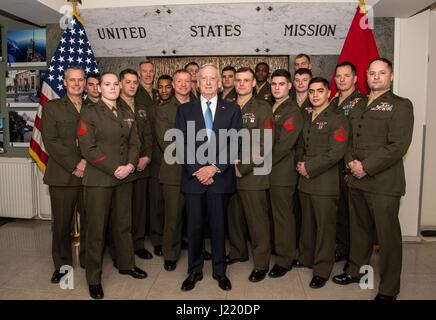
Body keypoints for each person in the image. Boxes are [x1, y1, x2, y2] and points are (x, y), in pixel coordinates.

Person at [332, 58, 414, 300]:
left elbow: (398, 146)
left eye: (382, 73)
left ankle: (389, 289)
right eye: (372, 73)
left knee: (387, 238)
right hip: (356, 179)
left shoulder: (400, 105)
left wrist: (366, 166)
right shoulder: (358, 105)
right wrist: (351, 164)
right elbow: (345, 138)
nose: (376, 77)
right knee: (359, 231)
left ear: (391, 77)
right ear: (366, 76)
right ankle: (356, 270)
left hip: (383, 183)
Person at [78, 72, 147, 299]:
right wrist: (113, 168)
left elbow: (135, 142)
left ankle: (126, 264)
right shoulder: (89, 112)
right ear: (98, 87)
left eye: (115, 84)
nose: (112, 88)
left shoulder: (127, 112)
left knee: (123, 225)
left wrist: (129, 165)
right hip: (100, 179)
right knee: (97, 230)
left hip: (125, 177)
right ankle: (94, 278)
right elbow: (88, 149)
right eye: (107, 84)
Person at [175, 64, 242, 291]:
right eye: (203, 78)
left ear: (219, 82)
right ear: (197, 82)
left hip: (219, 178)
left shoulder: (232, 109)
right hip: (194, 179)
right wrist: (198, 169)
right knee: (193, 228)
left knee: (219, 227)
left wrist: (213, 168)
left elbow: (235, 143)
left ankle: (220, 271)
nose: (208, 82)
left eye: (212, 78)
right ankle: (194, 271)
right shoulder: (185, 110)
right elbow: (180, 144)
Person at [295, 77, 349, 289]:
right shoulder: (307, 116)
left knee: (325, 229)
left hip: (324, 182)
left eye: (319, 91)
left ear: (328, 93)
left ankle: (322, 269)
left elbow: (336, 152)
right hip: (304, 180)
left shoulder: (338, 118)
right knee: (307, 225)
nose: (315, 95)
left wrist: (310, 167)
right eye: (311, 91)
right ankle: (306, 258)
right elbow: (300, 144)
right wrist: (300, 163)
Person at [41, 66, 87, 283]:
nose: (77, 84)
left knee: (91, 221)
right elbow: (51, 141)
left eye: (80, 80)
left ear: (85, 83)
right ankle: (62, 266)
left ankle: (88, 259)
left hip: (91, 175)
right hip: (63, 175)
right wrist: (75, 164)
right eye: (72, 80)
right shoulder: (52, 107)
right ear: (65, 82)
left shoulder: (93, 106)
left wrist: (86, 163)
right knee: (62, 225)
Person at [227, 67, 272, 282]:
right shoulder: (227, 106)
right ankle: (238, 252)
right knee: (234, 217)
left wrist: (242, 166)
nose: (242, 84)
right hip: (227, 171)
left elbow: (265, 143)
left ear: (254, 83)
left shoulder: (263, 108)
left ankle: (261, 263)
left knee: (257, 221)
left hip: (252, 173)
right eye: (238, 80)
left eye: (246, 80)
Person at [268, 69, 303, 279]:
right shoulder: (271, 107)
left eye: (281, 84)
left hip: (281, 172)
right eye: (274, 84)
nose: (277, 87)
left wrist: (258, 162)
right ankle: (278, 248)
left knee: (283, 218)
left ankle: (284, 260)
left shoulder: (292, 110)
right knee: (273, 215)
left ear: (290, 86)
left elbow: (284, 145)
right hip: (268, 172)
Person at [330, 61, 366, 264]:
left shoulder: (362, 101)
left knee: (355, 215)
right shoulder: (333, 102)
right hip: (332, 166)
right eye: (339, 76)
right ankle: (343, 248)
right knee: (340, 211)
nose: (342, 79)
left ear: (355, 78)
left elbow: (356, 137)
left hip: (350, 165)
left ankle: (356, 257)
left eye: (346, 76)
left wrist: (351, 162)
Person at [155, 69, 191, 272]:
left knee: (197, 215)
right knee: (173, 216)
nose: (184, 85)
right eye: (180, 81)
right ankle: (170, 253)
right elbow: (167, 140)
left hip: (199, 170)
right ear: (174, 84)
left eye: (187, 81)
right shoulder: (164, 109)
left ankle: (196, 249)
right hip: (174, 170)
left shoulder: (200, 105)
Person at [117, 68, 153, 264]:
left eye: (134, 82)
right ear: (121, 84)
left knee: (139, 209)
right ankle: (123, 247)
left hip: (142, 165)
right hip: (121, 168)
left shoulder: (141, 106)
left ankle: (138, 245)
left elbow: (148, 134)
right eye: (128, 82)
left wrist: (146, 156)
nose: (132, 86)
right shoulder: (115, 104)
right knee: (123, 211)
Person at [135, 60, 163, 258]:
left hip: (159, 154)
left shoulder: (156, 93)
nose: (147, 74)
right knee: (139, 204)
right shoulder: (133, 94)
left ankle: (158, 238)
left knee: (156, 201)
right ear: (139, 73)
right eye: (144, 71)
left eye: (150, 71)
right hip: (141, 156)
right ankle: (138, 242)